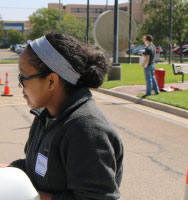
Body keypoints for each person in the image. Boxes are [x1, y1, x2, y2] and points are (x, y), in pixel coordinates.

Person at [8, 33, 124, 200]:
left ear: (52, 81)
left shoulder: (86, 130)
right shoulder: (46, 116)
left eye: (23, 77)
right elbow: (33, 167)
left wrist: (26, 196)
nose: (20, 84)